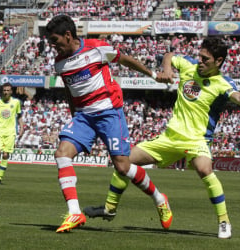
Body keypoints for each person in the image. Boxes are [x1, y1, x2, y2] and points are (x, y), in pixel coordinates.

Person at [84, 37, 240, 239]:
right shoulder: (188, 65)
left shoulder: (222, 83)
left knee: (204, 169)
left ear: (218, 61)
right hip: (170, 137)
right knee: (124, 160)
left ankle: (224, 221)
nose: (200, 61)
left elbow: (239, 97)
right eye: (200, 56)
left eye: (206, 59)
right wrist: (166, 69)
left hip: (197, 140)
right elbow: (169, 55)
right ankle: (110, 209)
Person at [46, 15, 173, 233]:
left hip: (109, 113)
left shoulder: (96, 48)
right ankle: (74, 212)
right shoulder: (60, 62)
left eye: (55, 40)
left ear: (68, 35)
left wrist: (153, 74)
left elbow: (125, 60)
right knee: (62, 154)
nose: (53, 45)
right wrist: (73, 114)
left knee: (122, 167)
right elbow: (69, 89)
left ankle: (160, 199)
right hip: (83, 116)